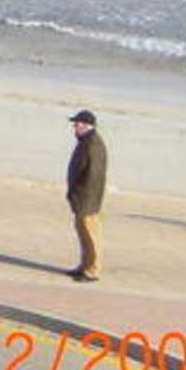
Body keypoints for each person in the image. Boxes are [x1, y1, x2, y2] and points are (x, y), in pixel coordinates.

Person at [66, 108, 107, 281]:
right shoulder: (86, 141)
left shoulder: (93, 144)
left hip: (87, 198)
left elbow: (94, 175)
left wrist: (82, 196)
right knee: (83, 233)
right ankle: (84, 265)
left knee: (90, 234)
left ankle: (92, 270)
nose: (74, 126)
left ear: (86, 125)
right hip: (82, 197)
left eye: (77, 123)